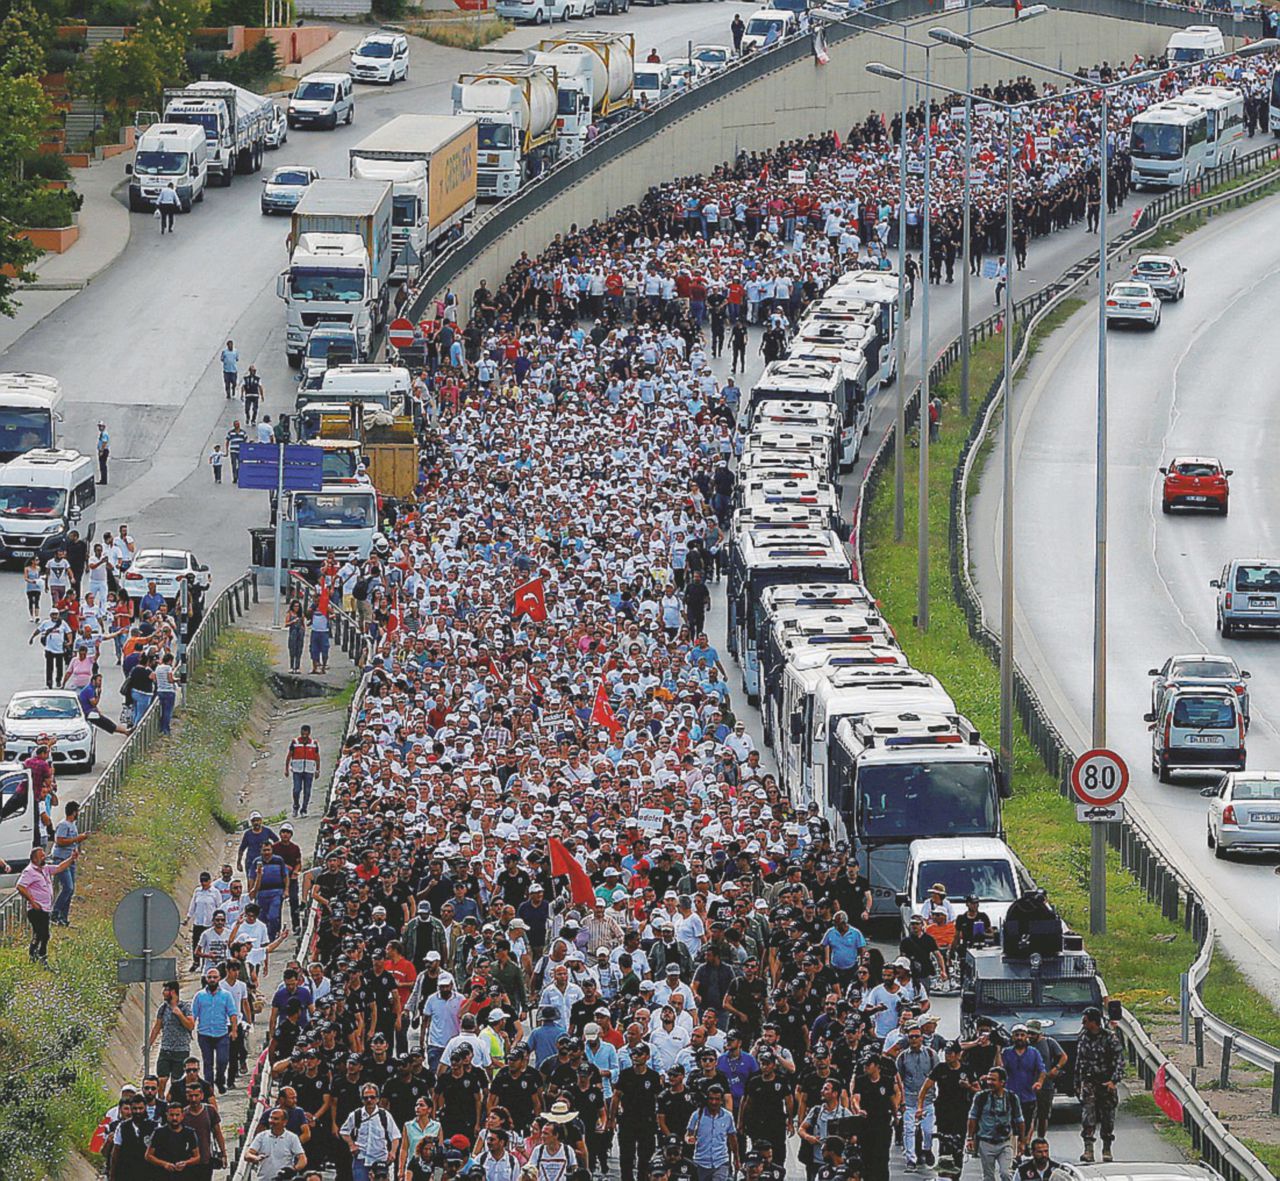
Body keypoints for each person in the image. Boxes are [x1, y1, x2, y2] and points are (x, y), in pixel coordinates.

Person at [1075, 1006, 1123, 1163]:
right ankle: (1088, 1150)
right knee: (1088, 1117)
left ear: (1094, 1022)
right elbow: (1079, 1060)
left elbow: (1119, 1061)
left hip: (1105, 1083)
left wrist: (1113, 1081)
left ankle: (1107, 1148)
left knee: (1107, 1117)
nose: (1083, 1023)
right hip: (1089, 1083)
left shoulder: (1110, 1038)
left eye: (1086, 1021)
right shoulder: (1083, 1037)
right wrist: (1077, 1081)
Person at [16, 845, 76, 963]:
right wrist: (32, 902)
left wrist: (72, 858)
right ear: (34, 859)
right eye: (41, 856)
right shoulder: (29, 871)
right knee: (42, 934)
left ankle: (36, 956)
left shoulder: (45, 869)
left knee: (42, 934)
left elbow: (59, 868)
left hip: (45, 908)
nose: (44, 857)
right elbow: (20, 886)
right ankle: (39, 956)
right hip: (36, 909)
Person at [965, 1067, 1023, 1181]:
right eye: (988, 1079)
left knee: (1006, 1174)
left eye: (993, 1080)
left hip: (1005, 1142)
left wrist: (1022, 1141)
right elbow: (972, 1118)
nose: (990, 1082)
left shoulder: (1012, 1098)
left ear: (1002, 1082)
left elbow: (1019, 1120)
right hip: (986, 1142)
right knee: (988, 1177)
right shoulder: (981, 1097)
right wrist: (970, 1138)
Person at [192, 966, 240, 1093]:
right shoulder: (199, 996)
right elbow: (193, 1015)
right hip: (204, 1034)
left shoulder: (226, 995)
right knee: (208, 1063)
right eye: (210, 977)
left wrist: (234, 1030)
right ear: (206, 979)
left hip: (222, 1033)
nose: (212, 979)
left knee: (222, 1060)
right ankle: (209, 1088)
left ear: (219, 978)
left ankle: (220, 1079)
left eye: (215, 977)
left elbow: (233, 1014)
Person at [342, 1083, 401, 1180]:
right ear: (362, 1100)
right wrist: (351, 1145)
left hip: (380, 1159)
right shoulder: (356, 1115)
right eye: (366, 1098)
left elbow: (395, 1136)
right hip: (361, 1158)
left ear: (377, 1099)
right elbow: (344, 1131)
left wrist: (393, 1152)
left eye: (372, 1097)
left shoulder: (385, 1115)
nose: (369, 1100)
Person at [151, 979, 197, 1098]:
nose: (163, 993)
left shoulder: (185, 1007)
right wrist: (149, 1044)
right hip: (166, 1049)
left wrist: (180, 1015)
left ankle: (172, 1103)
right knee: (161, 1080)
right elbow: (157, 1027)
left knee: (175, 1082)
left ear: (172, 992)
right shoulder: (163, 1008)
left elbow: (191, 1026)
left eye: (166, 990)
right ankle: (161, 1101)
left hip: (181, 1051)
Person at [686, 1083, 737, 1181]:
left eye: (717, 1099)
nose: (714, 1102)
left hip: (721, 1161)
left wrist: (736, 1159)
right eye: (711, 1098)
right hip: (701, 1163)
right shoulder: (697, 1115)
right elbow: (688, 1134)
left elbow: (732, 1138)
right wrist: (689, 1139)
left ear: (721, 1101)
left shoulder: (728, 1116)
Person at [49, 799, 87, 926]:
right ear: (73, 812)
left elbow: (72, 842)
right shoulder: (64, 825)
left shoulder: (72, 825)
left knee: (71, 890)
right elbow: (59, 841)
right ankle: (55, 912)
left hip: (70, 860)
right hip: (61, 860)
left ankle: (63, 917)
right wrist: (77, 838)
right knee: (67, 887)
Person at [247, 1106, 308, 1181]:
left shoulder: (292, 1137)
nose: (271, 1121)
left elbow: (302, 1158)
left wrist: (293, 1169)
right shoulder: (261, 1136)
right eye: (271, 1118)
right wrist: (256, 1158)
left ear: (284, 1122)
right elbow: (248, 1154)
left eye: (276, 1119)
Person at [145, 1103, 201, 1173]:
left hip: (184, 1174)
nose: (174, 1118)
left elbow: (197, 1157)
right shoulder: (158, 1132)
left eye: (177, 1115)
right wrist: (164, 1164)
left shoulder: (190, 1133)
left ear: (182, 1116)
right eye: (171, 1115)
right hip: (163, 1174)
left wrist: (186, 1163)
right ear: (167, 1115)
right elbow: (148, 1155)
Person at [286, 723, 320, 818]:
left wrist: (317, 770)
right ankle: (296, 805)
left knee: (307, 791)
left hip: (309, 770)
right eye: (303, 733)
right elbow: (289, 755)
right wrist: (286, 769)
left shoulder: (313, 744)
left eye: (306, 733)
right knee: (296, 790)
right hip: (297, 770)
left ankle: (304, 809)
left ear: (309, 733)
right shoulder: (295, 742)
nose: (304, 735)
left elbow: (317, 757)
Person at [97, 420, 110, 484]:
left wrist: (101, 450)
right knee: (102, 466)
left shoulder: (104, 434)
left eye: (101, 426)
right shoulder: (102, 433)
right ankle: (102, 479)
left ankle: (104, 480)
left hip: (104, 450)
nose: (99, 428)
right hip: (103, 450)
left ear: (104, 426)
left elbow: (104, 442)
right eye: (99, 426)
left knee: (103, 466)